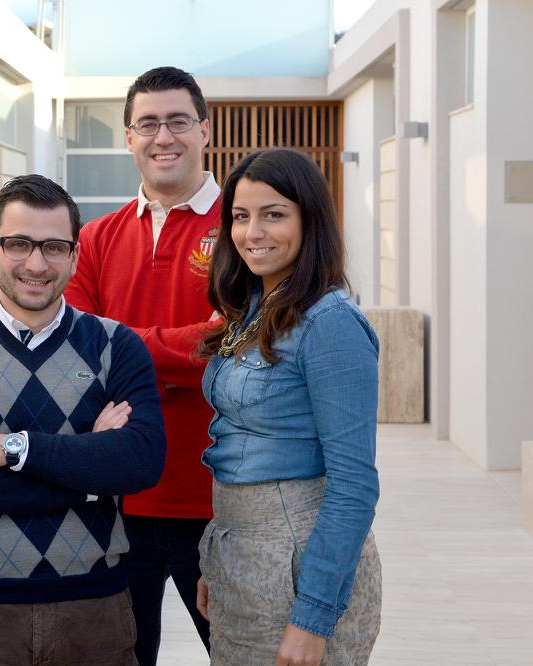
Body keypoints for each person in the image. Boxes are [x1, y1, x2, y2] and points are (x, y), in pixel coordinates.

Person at [0, 175, 167, 665]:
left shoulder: (117, 345)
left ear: (75, 255)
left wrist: (6, 449)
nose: (36, 263)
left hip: (95, 611)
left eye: (53, 246)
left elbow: (140, 463)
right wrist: (89, 477)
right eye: (19, 244)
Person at [195, 148, 383, 666]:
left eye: (273, 214)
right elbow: (239, 443)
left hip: (300, 571)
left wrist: (313, 618)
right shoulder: (256, 307)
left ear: (309, 220)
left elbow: (354, 485)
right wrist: (219, 558)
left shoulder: (330, 323)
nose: (252, 232)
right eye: (240, 216)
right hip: (244, 562)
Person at [64, 65, 216, 664]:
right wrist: (175, 359)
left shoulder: (242, 228)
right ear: (128, 137)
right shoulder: (96, 238)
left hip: (215, 498)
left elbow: (228, 344)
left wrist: (122, 356)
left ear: (204, 129)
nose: (164, 137)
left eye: (178, 121)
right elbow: (75, 348)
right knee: (122, 657)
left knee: (236, 653)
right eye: (148, 124)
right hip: (116, 498)